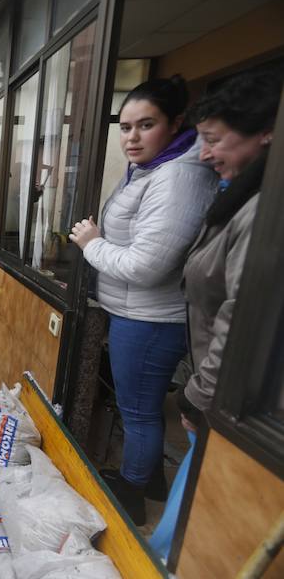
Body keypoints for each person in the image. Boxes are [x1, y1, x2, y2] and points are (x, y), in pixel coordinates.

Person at [69, 76, 217, 525]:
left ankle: (132, 495)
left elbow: (146, 265)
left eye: (146, 125)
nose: (132, 138)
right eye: (125, 127)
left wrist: (92, 244)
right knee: (140, 407)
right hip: (137, 312)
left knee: (138, 412)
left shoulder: (178, 177)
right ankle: (149, 480)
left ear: (175, 124)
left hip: (151, 319)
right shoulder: (153, 167)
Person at [149, 69, 282, 558]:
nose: (204, 154)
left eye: (214, 139)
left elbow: (239, 317)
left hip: (237, 404)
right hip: (215, 390)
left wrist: (195, 396)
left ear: (265, 133)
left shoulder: (264, 211)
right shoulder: (239, 195)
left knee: (186, 534)